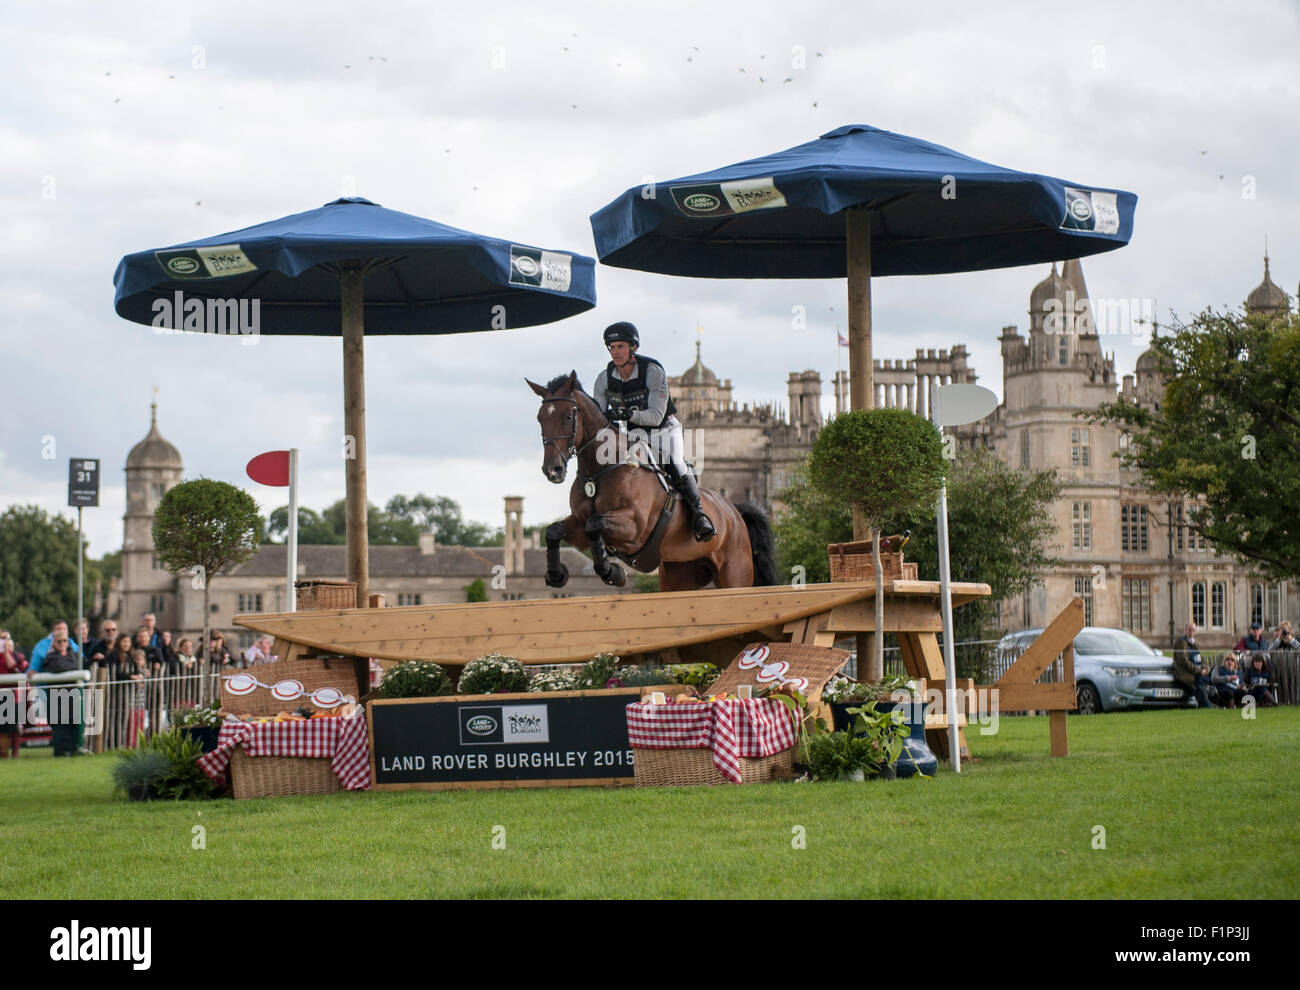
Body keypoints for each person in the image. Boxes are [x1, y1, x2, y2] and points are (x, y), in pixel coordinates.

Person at [591, 322, 716, 541]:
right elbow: (599, 416)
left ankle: (700, 516)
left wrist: (627, 414)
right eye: (611, 347)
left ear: (633, 348)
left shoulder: (653, 371)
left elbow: (656, 416)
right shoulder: (603, 379)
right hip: (633, 435)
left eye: (620, 346)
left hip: (664, 430)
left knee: (675, 463)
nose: (615, 352)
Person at [41, 631, 82, 756]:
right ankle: (60, 751)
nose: (62, 643)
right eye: (59, 641)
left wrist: (70, 668)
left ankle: (73, 749)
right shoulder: (50, 658)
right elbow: (59, 668)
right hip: (57, 697)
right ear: (54, 643)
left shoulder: (75, 655)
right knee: (59, 724)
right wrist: (72, 668)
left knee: (73, 722)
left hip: (72, 695)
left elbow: (77, 666)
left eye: (65, 641)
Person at [1, 630, 29, 758]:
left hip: (14, 696)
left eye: (6, 638)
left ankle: (15, 754)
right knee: (2, 729)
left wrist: (6, 652)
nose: (4, 641)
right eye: (1, 638)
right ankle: (3, 754)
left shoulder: (17, 655)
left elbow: (15, 668)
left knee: (14, 727)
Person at [1172, 622, 1212, 709]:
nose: (1191, 632)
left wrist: (1204, 668)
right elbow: (1183, 661)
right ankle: (1208, 707)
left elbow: (1199, 659)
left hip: (1194, 672)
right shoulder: (1181, 642)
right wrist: (1199, 670)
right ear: (1185, 630)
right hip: (1184, 673)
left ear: (1195, 632)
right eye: (1189, 630)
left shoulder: (1194, 643)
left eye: (1193, 630)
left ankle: (1206, 706)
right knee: (1198, 685)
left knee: (1203, 682)